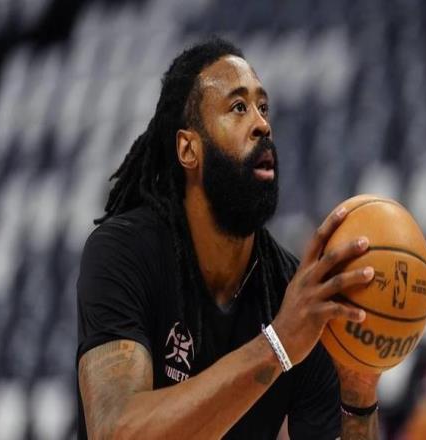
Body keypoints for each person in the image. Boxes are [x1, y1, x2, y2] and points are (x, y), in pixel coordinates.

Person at [77, 37, 381, 439]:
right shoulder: (126, 252)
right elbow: (116, 432)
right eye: (238, 107)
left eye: (263, 107)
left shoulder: (294, 297)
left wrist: (358, 394)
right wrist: (277, 345)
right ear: (189, 149)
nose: (262, 124)